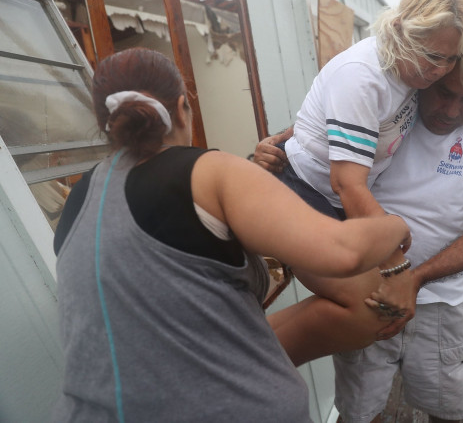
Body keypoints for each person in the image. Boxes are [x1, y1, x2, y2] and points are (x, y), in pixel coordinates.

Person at [51, 48, 410, 422]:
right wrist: (395, 225)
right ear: (181, 107)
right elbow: (343, 252)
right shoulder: (208, 172)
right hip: (232, 411)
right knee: (369, 304)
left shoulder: (78, 198)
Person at [256, 0, 463, 366]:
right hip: (301, 198)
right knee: (369, 310)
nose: (437, 69)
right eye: (431, 56)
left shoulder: (412, 69)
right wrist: (397, 267)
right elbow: (346, 182)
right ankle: (248, 361)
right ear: (397, 29)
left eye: (447, 59)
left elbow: (457, 67)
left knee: (376, 311)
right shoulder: (365, 77)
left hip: (331, 205)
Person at [333, 37, 463, 423]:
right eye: (444, 92)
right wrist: (284, 140)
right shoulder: (390, 107)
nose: (453, 110)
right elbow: (336, 121)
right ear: (428, 76)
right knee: (357, 415)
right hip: (366, 293)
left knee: (451, 413)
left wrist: (416, 278)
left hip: (441, 302)